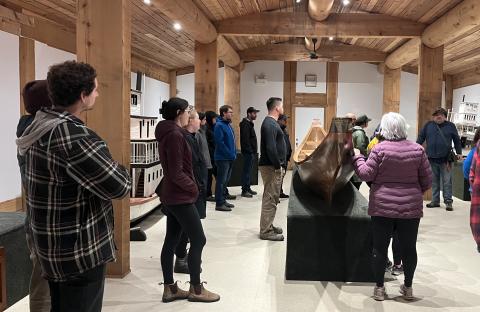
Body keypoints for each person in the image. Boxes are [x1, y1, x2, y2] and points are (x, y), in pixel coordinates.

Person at [16, 61, 132, 312]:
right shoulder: (73, 137)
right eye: (96, 90)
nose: (98, 94)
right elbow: (121, 185)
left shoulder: (39, 125)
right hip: (78, 253)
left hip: (52, 247)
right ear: (83, 95)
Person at [352, 112, 432, 301]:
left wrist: (357, 157)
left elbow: (365, 174)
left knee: (379, 248)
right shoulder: (417, 150)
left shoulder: (379, 149)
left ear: (384, 129)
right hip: (410, 209)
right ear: (404, 128)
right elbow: (427, 181)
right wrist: (411, 193)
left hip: (382, 207)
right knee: (409, 248)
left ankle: (380, 289)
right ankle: (408, 288)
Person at [155, 98, 219, 303]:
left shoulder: (170, 132)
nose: (190, 116)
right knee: (199, 239)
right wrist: (194, 187)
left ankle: (170, 289)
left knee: (171, 241)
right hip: (179, 196)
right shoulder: (174, 134)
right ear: (179, 113)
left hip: (172, 196)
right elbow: (175, 172)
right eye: (187, 111)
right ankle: (196, 289)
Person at [16, 80, 52, 312]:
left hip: (35, 211)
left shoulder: (26, 126)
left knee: (42, 274)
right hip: (48, 215)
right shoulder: (45, 130)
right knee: (43, 279)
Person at [174, 109, 209, 274]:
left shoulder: (195, 137)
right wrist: (194, 187)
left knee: (188, 228)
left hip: (196, 187)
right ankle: (181, 259)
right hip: (189, 190)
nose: (199, 121)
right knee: (186, 228)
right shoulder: (184, 138)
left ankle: (182, 257)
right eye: (196, 119)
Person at [417, 107, 462, 211]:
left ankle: (448, 202)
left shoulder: (451, 126)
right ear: (433, 116)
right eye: (436, 114)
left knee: (447, 181)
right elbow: (421, 138)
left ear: (445, 116)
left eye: (441, 114)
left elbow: (456, 140)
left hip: (446, 159)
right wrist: (415, 148)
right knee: (434, 181)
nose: (438, 116)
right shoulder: (428, 125)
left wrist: (459, 152)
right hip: (431, 158)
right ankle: (435, 201)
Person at [258, 97, 287, 241]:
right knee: (270, 197)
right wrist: (277, 166)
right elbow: (270, 148)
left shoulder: (271, 123)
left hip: (272, 166)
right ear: (277, 108)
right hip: (271, 167)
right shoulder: (269, 124)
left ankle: (268, 225)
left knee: (272, 197)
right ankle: (266, 231)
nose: (283, 108)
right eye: (282, 106)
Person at [214, 105, 237, 211]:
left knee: (225, 181)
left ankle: (223, 200)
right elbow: (220, 143)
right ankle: (219, 203)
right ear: (224, 113)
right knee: (221, 181)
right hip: (222, 158)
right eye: (230, 112)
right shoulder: (219, 125)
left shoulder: (228, 125)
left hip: (229, 158)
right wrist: (229, 154)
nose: (232, 114)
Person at [240, 107, 260, 198]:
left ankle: (247, 188)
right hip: (248, 153)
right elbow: (245, 140)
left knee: (248, 171)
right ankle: (244, 190)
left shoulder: (249, 124)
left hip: (251, 152)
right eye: (254, 113)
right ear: (249, 114)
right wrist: (250, 151)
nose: (255, 115)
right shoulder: (245, 124)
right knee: (246, 172)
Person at [351, 114, 371, 189]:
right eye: (367, 122)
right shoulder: (359, 133)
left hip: (353, 161)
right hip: (357, 162)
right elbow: (360, 147)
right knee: (356, 186)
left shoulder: (354, 131)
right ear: (364, 123)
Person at [278, 114, 292, 199]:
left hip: (285, 157)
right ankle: (276, 194)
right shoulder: (278, 130)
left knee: (282, 177)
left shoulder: (284, 130)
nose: (286, 121)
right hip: (281, 158)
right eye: (284, 120)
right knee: (278, 178)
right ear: (279, 120)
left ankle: (280, 192)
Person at [205, 111, 218, 201]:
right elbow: (208, 144)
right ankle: (208, 194)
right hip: (210, 156)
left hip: (214, 155)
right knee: (209, 177)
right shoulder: (207, 129)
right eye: (214, 118)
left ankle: (221, 193)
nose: (215, 120)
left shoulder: (213, 128)